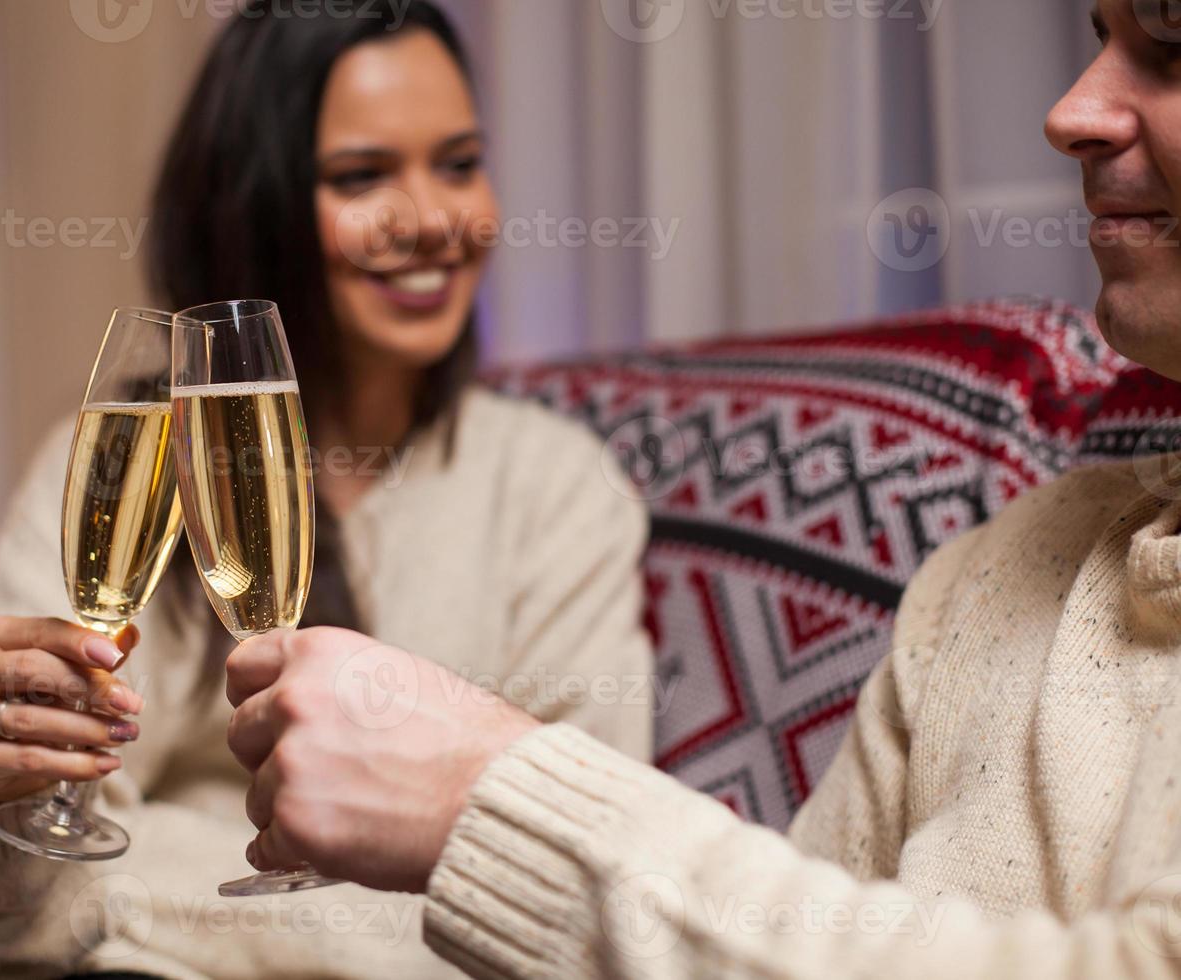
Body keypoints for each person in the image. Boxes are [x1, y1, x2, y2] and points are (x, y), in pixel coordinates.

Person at [225, 1, 1181, 975]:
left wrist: (480, 796)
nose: (1070, 110)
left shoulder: (550, 483)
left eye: (1174, 35)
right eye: (361, 175)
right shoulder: (995, 569)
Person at [0, 3, 653, 977]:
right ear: (257, 203)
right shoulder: (129, 458)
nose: (430, 218)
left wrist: (135, 874)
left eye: (459, 162)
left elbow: (577, 888)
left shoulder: (560, 488)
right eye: (362, 175)